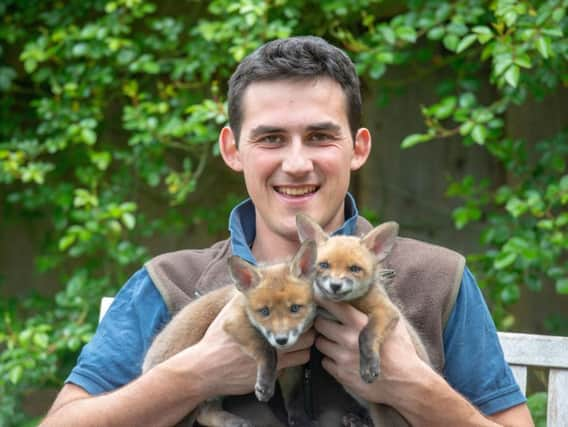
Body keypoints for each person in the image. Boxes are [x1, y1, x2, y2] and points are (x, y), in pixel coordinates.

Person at [42, 36, 533, 426]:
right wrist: (193, 374)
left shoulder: (436, 279)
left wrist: (409, 385)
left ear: (358, 148)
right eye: (271, 138)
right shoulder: (169, 282)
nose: (297, 164)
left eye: (320, 136)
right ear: (233, 150)